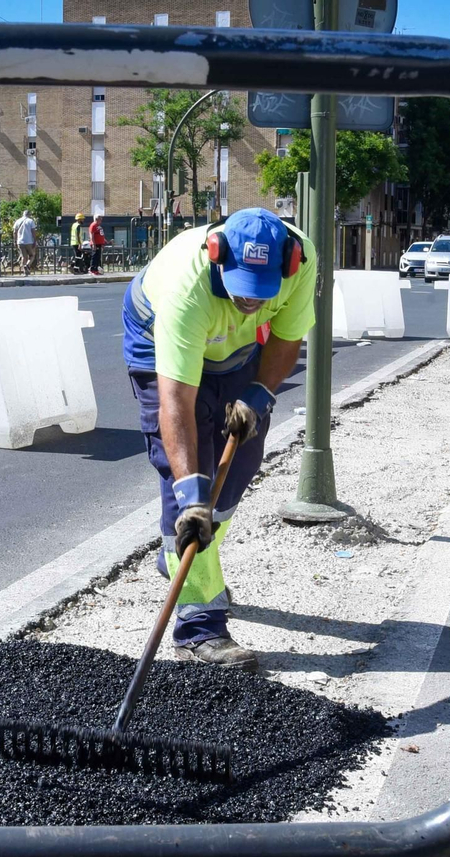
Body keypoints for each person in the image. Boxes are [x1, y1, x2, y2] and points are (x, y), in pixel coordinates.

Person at [122, 207, 316, 670]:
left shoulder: (302, 260)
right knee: (190, 485)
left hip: (238, 352)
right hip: (158, 343)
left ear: (285, 266)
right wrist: (191, 494)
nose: (250, 302)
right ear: (217, 258)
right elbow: (175, 405)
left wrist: (260, 393)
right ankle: (199, 629)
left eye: (260, 292)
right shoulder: (186, 289)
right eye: (241, 289)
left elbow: (287, 339)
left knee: (241, 464)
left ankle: (180, 558)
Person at [13, 209, 38, 275]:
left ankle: (25, 272)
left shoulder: (18, 221)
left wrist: (15, 241)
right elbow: (33, 231)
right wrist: (35, 241)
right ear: (29, 214)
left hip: (20, 242)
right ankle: (27, 265)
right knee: (32, 255)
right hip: (29, 241)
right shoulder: (30, 221)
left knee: (24, 257)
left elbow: (14, 232)